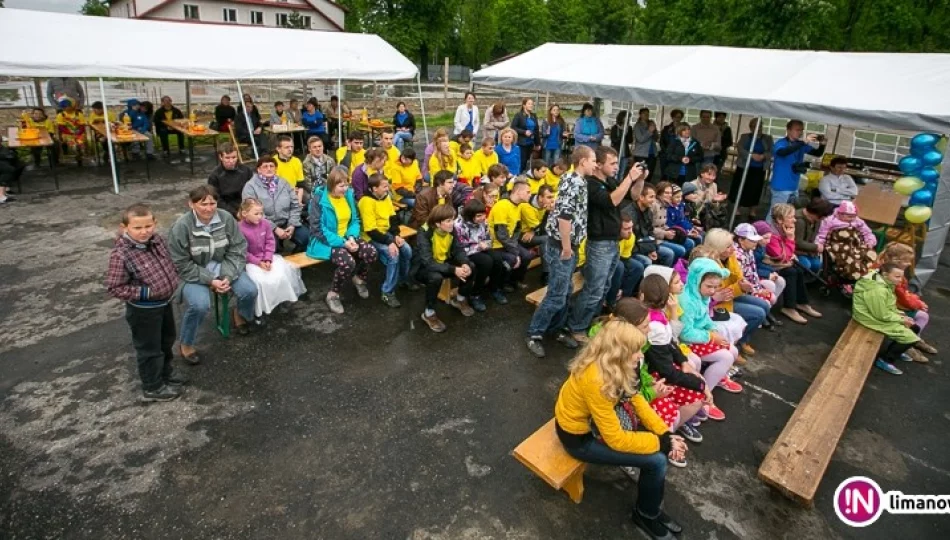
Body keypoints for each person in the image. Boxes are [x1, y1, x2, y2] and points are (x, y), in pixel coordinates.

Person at [554, 318, 686, 539]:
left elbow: (637, 400)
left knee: (656, 452)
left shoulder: (614, 364)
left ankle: (650, 509)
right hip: (578, 438)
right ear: (618, 351)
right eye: (635, 351)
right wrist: (662, 444)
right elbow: (615, 438)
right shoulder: (597, 380)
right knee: (657, 461)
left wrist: (665, 433)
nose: (640, 355)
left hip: (591, 425)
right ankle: (646, 514)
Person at [168, 185, 258, 363]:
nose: (209, 208)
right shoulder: (181, 226)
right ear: (191, 204)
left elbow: (238, 248)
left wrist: (227, 275)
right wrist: (210, 280)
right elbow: (181, 263)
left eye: (212, 203)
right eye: (203, 204)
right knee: (199, 305)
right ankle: (186, 343)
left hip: (224, 266)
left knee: (249, 291)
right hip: (194, 272)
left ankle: (239, 314)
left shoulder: (226, 218)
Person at [105, 203, 184, 402]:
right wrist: (148, 291)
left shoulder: (157, 240)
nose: (144, 232)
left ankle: (166, 374)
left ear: (155, 224)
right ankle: (153, 386)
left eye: (148, 226)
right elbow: (115, 287)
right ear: (125, 228)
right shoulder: (121, 254)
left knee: (166, 341)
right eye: (137, 228)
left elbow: (169, 262)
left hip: (164, 303)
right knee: (149, 348)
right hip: (144, 311)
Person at [568, 148, 647, 342]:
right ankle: (576, 327)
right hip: (599, 244)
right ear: (599, 165)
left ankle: (590, 321)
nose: (616, 167)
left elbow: (635, 196)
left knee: (603, 288)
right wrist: (629, 177)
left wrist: (640, 179)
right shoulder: (591, 185)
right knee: (594, 289)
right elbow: (612, 201)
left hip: (613, 243)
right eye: (612, 164)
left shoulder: (608, 182)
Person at [525, 146, 596, 358]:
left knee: (565, 291)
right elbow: (564, 218)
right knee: (556, 294)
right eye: (593, 160)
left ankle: (555, 329)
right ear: (583, 161)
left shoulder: (576, 179)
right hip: (561, 246)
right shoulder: (573, 183)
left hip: (568, 246)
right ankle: (534, 333)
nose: (595, 164)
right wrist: (566, 247)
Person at [639, 274, 709, 443]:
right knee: (682, 401)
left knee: (696, 390)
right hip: (651, 378)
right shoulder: (652, 325)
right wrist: (700, 385)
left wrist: (683, 361)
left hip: (655, 374)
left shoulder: (656, 317)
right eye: (676, 282)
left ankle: (675, 428)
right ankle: (666, 440)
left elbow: (670, 341)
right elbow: (665, 371)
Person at [307, 167, 378, 314]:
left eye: (347, 185)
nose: (345, 189)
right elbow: (317, 229)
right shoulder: (318, 200)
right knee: (348, 262)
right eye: (341, 186)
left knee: (371, 252)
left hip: (347, 237)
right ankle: (333, 294)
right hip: (325, 241)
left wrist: (351, 237)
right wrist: (343, 243)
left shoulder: (349, 196)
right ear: (332, 185)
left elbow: (355, 220)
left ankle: (359, 279)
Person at [703, 228, 767, 357]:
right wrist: (741, 287)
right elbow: (719, 292)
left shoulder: (730, 256)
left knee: (764, 305)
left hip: (731, 295)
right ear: (717, 248)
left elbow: (738, 276)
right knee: (758, 314)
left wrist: (742, 284)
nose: (733, 249)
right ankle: (734, 345)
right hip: (716, 304)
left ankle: (743, 340)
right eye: (728, 246)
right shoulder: (709, 264)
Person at [412, 204, 476, 332]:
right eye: (448, 221)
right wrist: (454, 270)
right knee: (435, 277)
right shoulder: (424, 233)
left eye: (453, 219)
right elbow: (428, 262)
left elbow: (458, 249)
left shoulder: (451, 229)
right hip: (423, 268)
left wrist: (464, 263)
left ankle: (460, 299)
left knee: (471, 267)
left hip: (443, 262)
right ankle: (428, 313)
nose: (452, 223)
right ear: (437, 223)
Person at [237, 198, 306, 316]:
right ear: (245, 214)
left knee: (282, 275)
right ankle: (260, 310)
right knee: (261, 282)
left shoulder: (265, 224)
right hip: (250, 262)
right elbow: (243, 251)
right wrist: (259, 262)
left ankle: (281, 300)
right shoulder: (239, 228)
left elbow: (270, 241)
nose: (260, 216)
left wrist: (268, 258)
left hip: (267, 257)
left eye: (261, 213)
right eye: (256, 214)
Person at [853, 262, 923, 376]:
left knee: (914, 328)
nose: (900, 280)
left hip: (877, 314)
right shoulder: (877, 290)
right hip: (868, 318)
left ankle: (896, 351)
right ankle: (885, 360)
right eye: (897, 276)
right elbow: (881, 314)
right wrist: (901, 319)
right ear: (885, 274)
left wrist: (900, 315)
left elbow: (887, 306)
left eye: (901, 276)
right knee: (911, 338)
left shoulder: (885, 282)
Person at [875, 242, 938, 358]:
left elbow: (904, 293)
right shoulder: (892, 275)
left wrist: (917, 301)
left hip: (893, 305)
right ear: (896, 261)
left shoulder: (893, 270)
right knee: (921, 317)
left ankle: (913, 341)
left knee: (921, 315)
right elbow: (903, 298)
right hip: (891, 307)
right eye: (907, 261)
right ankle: (908, 344)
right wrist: (918, 304)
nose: (909, 264)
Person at [358, 173, 413, 308]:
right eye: (384, 186)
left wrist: (397, 236)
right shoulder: (366, 201)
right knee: (393, 255)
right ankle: (387, 291)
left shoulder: (385, 197)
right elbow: (371, 231)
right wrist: (390, 242)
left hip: (386, 233)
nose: (387, 189)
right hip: (371, 237)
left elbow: (393, 219)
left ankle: (402, 279)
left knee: (407, 250)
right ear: (374, 188)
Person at [765, 204, 822, 324]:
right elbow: (781, 256)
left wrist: (789, 240)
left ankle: (802, 303)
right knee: (790, 271)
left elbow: (788, 255)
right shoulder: (771, 234)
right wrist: (790, 238)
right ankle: (789, 307)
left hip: (780, 263)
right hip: (769, 266)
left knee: (798, 269)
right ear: (780, 220)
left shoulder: (782, 230)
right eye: (791, 217)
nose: (794, 220)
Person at [241, 156, 309, 252]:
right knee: (272, 247)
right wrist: (275, 228)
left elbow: (295, 205)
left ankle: (296, 262)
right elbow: (252, 212)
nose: (269, 169)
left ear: (276, 169)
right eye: (265, 166)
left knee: (307, 237)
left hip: (286, 222)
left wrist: (292, 225)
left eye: (271, 166)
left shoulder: (284, 183)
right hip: (263, 225)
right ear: (259, 170)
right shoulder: (250, 187)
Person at [454, 199, 508, 310]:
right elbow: (461, 247)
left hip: (481, 247)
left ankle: (494, 288)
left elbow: (489, 239)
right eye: (479, 216)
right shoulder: (459, 225)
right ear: (470, 215)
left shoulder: (484, 222)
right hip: (467, 252)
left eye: (483, 214)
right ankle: (475, 294)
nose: (482, 218)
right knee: (486, 261)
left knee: (497, 258)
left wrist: (486, 244)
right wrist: (479, 246)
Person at [768, 120, 826, 220]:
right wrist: (803, 142)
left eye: (801, 130)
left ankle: (779, 234)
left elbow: (817, 153)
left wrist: (823, 144)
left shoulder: (800, 144)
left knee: (787, 215)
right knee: (775, 214)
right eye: (797, 130)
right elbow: (783, 152)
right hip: (781, 186)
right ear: (788, 130)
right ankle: (768, 233)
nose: (800, 132)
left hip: (794, 186)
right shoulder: (781, 143)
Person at [815, 200, 878, 287]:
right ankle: (853, 276)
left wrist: (870, 241)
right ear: (840, 214)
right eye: (849, 216)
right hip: (839, 246)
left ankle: (869, 277)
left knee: (870, 254)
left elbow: (867, 232)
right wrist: (819, 244)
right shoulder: (830, 221)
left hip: (855, 244)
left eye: (854, 216)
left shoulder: (858, 221)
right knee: (851, 260)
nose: (852, 218)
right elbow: (822, 234)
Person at [488, 180, 535, 291]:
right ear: (518, 192)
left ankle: (514, 281)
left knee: (527, 256)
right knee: (513, 258)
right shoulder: (502, 206)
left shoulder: (518, 206)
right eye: (528, 192)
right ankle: (499, 286)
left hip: (507, 243)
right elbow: (501, 234)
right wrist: (514, 251)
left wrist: (514, 246)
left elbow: (517, 229)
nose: (530, 195)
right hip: (496, 245)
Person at [733, 223, 785, 319]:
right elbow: (742, 280)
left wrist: (759, 289)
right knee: (767, 301)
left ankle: (763, 316)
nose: (755, 242)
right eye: (752, 240)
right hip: (740, 291)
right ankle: (757, 318)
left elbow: (753, 272)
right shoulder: (737, 255)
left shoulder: (749, 250)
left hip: (750, 287)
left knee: (771, 297)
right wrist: (757, 291)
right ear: (741, 240)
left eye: (756, 240)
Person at [729, 118, 774, 220]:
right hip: (744, 166)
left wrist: (763, 156)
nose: (758, 128)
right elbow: (740, 148)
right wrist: (751, 155)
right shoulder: (744, 136)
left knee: (755, 189)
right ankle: (737, 208)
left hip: (758, 168)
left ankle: (753, 210)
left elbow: (771, 151)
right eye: (755, 126)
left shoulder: (767, 138)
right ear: (751, 127)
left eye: (760, 126)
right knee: (740, 187)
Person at [604, 214, 647, 309]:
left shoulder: (631, 237)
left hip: (616, 260)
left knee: (638, 267)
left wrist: (621, 287)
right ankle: (610, 303)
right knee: (619, 266)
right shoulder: (608, 238)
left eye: (631, 227)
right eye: (626, 229)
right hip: (595, 262)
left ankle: (624, 299)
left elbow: (625, 259)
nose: (630, 231)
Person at [629, 183, 676, 267]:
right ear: (641, 197)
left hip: (645, 245)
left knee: (669, 253)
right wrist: (648, 250)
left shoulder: (648, 211)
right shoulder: (631, 213)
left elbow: (650, 232)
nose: (654, 200)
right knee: (647, 261)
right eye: (651, 197)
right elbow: (633, 239)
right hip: (633, 249)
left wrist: (652, 249)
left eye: (654, 197)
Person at [208, 143, 254, 216]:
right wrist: (234, 213)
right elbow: (216, 199)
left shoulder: (246, 170)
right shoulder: (214, 176)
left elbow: (253, 190)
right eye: (227, 158)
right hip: (226, 209)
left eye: (234, 157)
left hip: (245, 205)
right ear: (221, 157)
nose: (231, 161)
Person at [654, 181, 695, 261]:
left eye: (670, 193)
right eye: (666, 193)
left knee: (690, 243)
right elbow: (650, 228)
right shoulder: (655, 206)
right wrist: (666, 233)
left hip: (664, 235)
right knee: (677, 251)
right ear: (659, 193)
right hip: (655, 239)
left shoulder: (664, 205)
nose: (669, 195)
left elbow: (666, 225)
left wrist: (686, 231)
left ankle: (681, 266)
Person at [794, 199, 834, 274]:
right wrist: (816, 247)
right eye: (823, 216)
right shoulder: (799, 221)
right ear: (816, 213)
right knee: (806, 265)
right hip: (795, 251)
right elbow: (798, 242)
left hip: (808, 251)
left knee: (817, 265)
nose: (824, 218)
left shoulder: (816, 220)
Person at [511, 97, 541, 173]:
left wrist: (538, 143)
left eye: (532, 104)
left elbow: (536, 130)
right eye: (529, 104)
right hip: (521, 143)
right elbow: (513, 127)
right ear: (524, 105)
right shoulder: (519, 115)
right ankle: (518, 176)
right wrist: (524, 132)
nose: (531, 105)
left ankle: (523, 174)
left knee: (527, 161)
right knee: (522, 160)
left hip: (530, 143)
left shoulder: (534, 116)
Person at [55, 97, 87, 165]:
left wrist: (79, 132)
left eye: (66, 106)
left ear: (72, 105)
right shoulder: (60, 115)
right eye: (63, 107)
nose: (65, 108)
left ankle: (79, 154)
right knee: (74, 145)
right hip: (67, 135)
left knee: (80, 144)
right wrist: (70, 133)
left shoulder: (79, 114)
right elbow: (61, 127)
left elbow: (82, 126)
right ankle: (77, 155)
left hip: (79, 134)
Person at [273, 135, 305, 202]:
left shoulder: (297, 161)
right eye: (287, 147)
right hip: (278, 195)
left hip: (294, 194)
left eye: (292, 147)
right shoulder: (272, 163)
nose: (290, 149)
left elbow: (301, 185)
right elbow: (273, 188)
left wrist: (298, 202)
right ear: (278, 149)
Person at [633, 108, 659, 175]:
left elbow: (656, 139)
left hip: (652, 153)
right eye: (644, 114)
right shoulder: (637, 126)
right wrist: (649, 131)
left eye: (648, 114)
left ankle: (647, 185)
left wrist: (654, 131)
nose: (646, 115)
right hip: (641, 153)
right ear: (640, 115)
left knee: (650, 173)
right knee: (640, 173)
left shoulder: (650, 123)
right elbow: (640, 139)